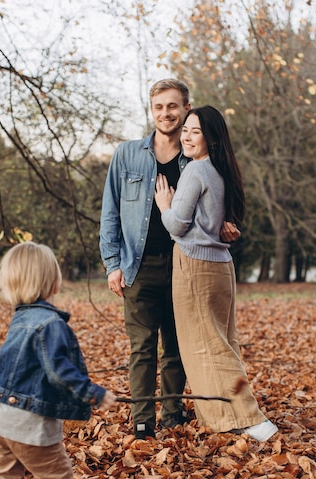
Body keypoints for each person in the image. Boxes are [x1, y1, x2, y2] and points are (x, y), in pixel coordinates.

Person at [100, 78, 240, 440]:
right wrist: (112, 263)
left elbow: (218, 202)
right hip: (138, 265)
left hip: (184, 265)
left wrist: (228, 225)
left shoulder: (196, 157)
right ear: (152, 110)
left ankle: (173, 413)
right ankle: (143, 419)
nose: (166, 113)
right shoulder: (127, 155)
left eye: (173, 106)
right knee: (142, 348)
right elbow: (110, 212)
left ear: (186, 108)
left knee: (177, 346)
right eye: (159, 107)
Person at [154, 105, 278, 442]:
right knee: (223, 342)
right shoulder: (222, 171)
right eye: (187, 130)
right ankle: (225, 417)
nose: (188, 136)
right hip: (221, 266)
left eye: (196, 131)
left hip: (195, 264)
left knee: (206, 346)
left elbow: (178, 224)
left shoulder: (195, 172)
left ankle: (251, 419)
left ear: (211, 137)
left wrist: (165, 205)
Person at [0, 241, 116, 479]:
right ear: (53, 282)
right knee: (57, 475)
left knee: (3, 477)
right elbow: (60, 372)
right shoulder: (51, 324)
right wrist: (92, 393)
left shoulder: (20, 320)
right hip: (27, 422)